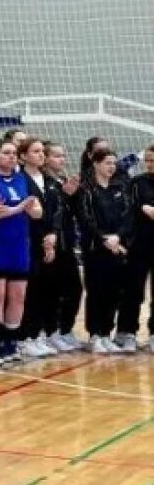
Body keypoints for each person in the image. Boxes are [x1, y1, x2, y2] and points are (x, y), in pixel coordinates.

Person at [0, 138, 42, 361]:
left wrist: (26, 208)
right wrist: (21, 207)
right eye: (6, 153)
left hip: (19, 245)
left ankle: (12, 341)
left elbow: (37, 212)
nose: (11, 157)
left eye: (14, 153)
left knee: (18, 295)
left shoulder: (22, 179)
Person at [80, 149, 133, 353]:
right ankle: (94, 335)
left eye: (114, 163)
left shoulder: (119, 188)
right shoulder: (86, 189)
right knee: (97, 292)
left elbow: (127, 217)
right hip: (96, 249)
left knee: (113, 292)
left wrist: (118, 237)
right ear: (96, 163)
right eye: (107, 163)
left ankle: (105, 333)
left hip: (117, 248)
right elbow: (86, 219)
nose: (112, 167)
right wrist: (103, 238)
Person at [18, 137, 63, 358]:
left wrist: (52, 234)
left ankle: (37, 335)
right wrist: (42, 237)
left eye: (42, 151)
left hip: (49, 241)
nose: (41, 155)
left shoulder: (49, 180)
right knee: (30, 291)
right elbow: (30, 214)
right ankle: (24, 337)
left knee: (46, 289)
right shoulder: (20, 180)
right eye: (35, 151)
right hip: (29, 240)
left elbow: (56, 210)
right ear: (23, 156)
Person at [40, 142, 84, 351]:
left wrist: (72, 195)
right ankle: (51, 332)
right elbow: (49, 213)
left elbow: (69, 213)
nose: (62, 159)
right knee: (52, 291)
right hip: (52, 244)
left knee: (75, 289)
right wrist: (65, 194)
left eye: (63, 156)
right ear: (46, 159)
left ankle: (65, 329)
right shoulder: (44, 183)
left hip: (67, 244)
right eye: (56, 155)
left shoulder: (61, 181)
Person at [116, 144, 154, 352]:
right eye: (147, 160)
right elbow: (131, 209)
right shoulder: (137, 183)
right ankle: (127, 332)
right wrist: (142, 209)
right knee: (133, 290)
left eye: (153, 160)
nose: (149, 164)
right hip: (139, 245)